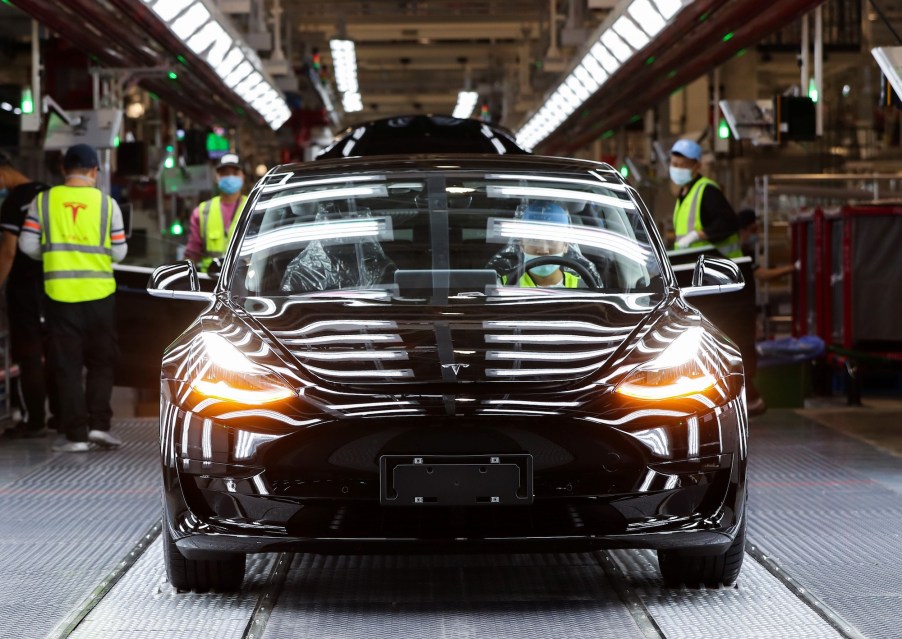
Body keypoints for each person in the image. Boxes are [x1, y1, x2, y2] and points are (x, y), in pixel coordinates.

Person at [19, 144, 128, 452]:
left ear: (65, 170)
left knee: (67, 365)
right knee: (101, 362)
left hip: (60, 295)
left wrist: (57, 256)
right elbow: (119, 251)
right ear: (94, 170)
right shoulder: (108, 205)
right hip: (100, 296)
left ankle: (76, 435)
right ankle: (99, 427)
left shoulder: (42, 202)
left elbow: (27, 246)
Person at [0, 152, 57, 438]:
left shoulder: (12, 203)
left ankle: (35, 420)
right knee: (56, 350)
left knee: (30, 355)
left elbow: (9, 251)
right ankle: (62, 416)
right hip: (54, 285)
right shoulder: (49, 195)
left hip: (24, 288)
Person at [670, 139, 742, 258]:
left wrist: (697, 235)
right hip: (695, 267)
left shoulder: (707, 190)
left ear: (697, 166)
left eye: (682, 165)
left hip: (718, 268)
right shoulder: (683, 193)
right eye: (673, 164)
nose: (676, 169)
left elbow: (729, 222)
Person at [184, 153, 247, 271]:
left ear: (243, 176)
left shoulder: (253, 208)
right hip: (209, 282)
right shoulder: (202, 212)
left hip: (244, 282)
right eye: (225, 173)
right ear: (216, 177)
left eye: (235, 173)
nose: (230, 177)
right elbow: (192, 253)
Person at [504, 202, 586, 288]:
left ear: (565, 245)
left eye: (552, 240)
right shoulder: (502, 286)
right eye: (534, 240)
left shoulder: (585, 288)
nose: (543, 250)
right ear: (521, 245)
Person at [737, 208, 797, 282]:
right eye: (753, 230)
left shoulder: (747, 251)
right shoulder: (735, 252)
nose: (756, 234)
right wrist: (792, 268)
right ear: (742, 231)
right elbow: (761, 274)